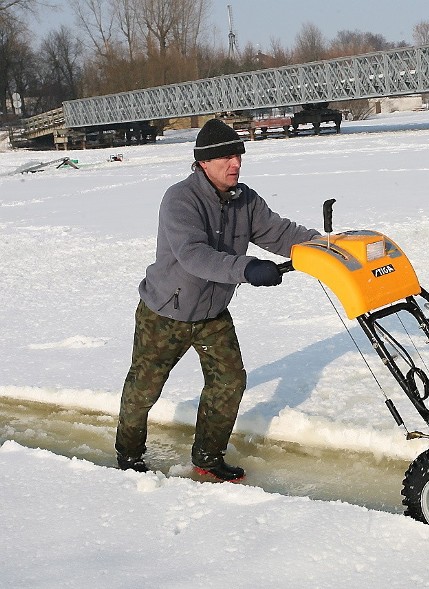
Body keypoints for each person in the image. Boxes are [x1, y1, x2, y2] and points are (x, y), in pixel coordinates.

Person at [115, 118, 320, 481]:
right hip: (166, 312)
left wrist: (323, 246)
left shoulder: (245, 199)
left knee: (229, 380)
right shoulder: (180, 199)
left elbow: (278, 232)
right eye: (226, 157)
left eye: (239, 156)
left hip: (212, 314)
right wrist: (248, 267)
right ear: (203, 163)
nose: (236, 164)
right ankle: (128, 455)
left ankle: (208, 459)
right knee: (143, 391)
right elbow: (195, 256)